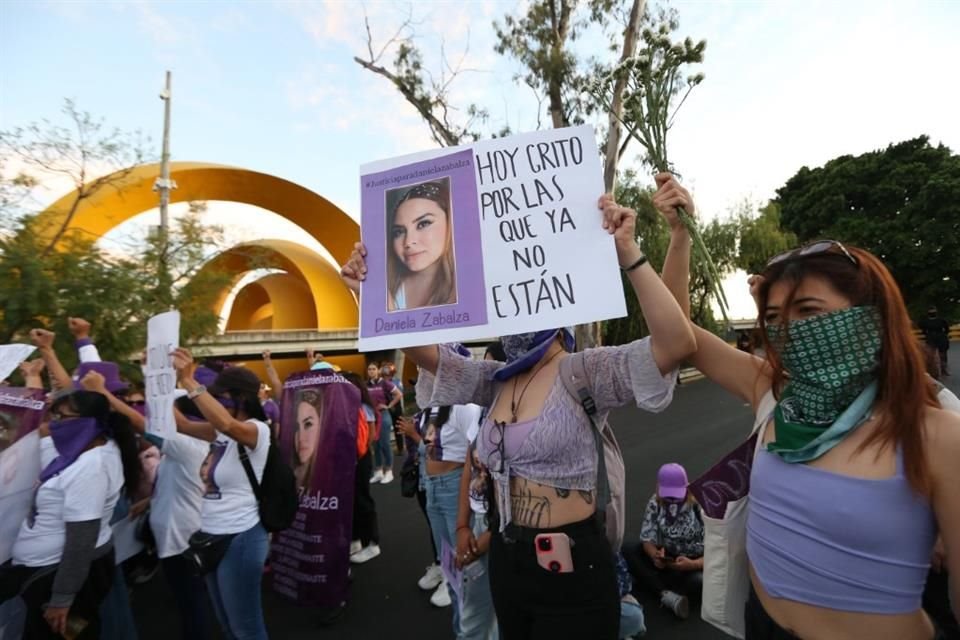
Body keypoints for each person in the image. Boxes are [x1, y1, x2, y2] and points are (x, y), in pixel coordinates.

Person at [342, 192, 697, 639]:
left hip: (574, 565)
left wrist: (632, 251)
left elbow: (676, 343)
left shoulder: (584, 370)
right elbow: (427, 354)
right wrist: (370, 296)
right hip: (509, 558)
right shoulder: (494, 379)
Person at [656, 173, 960, 640]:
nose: (790, 331)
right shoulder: (776, 396)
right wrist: (680, 236)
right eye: (774, 318)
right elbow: (681, 335)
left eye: (809, 312)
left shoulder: (936, 435)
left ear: (869, 321)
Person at [0, 390, 143, 640]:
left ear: (87, 422)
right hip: (46, 570)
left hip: (56, 575)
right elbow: (54, 465)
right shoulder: (84, 451)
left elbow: (81, 540)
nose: (53, 423)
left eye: (60, 417)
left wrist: (62, 599)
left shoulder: (91, 467)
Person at [170, 353, 273, 640]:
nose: (214, 401)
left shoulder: (258, 431)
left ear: (239, 398)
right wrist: (161, 385)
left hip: (240, 538)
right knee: (227, 625)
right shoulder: (219, 432)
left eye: (220, 396)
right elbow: (182, 424)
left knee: (247, 629)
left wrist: (188, 380)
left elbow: (229, 425)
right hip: (211, 536)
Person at [401, 397, 483, 636]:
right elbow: (430, 450)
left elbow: (477, 452)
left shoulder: (463, 407)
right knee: (449, 565)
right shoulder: (432, 407)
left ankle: (471, 631)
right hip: (434, 488)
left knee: (465, 568)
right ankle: (461, 629)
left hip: (454, 487)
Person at [623, 463, 703, 619]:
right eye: (668, 495)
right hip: (669, 557)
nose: (672, 500)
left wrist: (693, 564)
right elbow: (647, 539)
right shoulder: (655, 502)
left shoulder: (699, 505)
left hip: (695, 561)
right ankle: (667, 595)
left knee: (698, 582)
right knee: (627, 549)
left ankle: (656, 586)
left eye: (676, 494)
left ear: (686, 486)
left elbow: (718, 550)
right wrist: (655, 555)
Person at [386, 179, 457, 311]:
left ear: (451, 222)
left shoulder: (470, 288)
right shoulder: (388, 287)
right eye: (399, 232)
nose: (408, 242)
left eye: (423, 224)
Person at [343, 372, 382, 565]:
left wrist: (359, 454)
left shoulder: (363, 406)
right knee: (352, 501)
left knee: (363, 500)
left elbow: (371, 435)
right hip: (351, 459)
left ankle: (372, 543)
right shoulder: (347, 405)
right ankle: (356, 539)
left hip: (360, 458)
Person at [366, 362, 402, 484]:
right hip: (372, 417)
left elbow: (399, 394)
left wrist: (388, 406)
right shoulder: (366, 384)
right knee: (375, 446)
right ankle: (378, 472)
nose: (371, 371)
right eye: (369, 369)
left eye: (373, 369)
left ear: (378, 371)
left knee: (385, 444)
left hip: (384, 416)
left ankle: (389, 471)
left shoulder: (385, 383)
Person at [292, 388, 323, 491]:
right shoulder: (290, 474)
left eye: (308, 424)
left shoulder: (332, 476)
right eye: (296, 427)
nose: (301, 437)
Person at [918, 307, 951, 377]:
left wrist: (927, 334)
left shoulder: (939, 320)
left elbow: (947, 328)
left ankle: (942, 370)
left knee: (940, 354)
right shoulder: (927, 321)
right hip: (935, 337)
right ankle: (936, 370)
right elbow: (947, 329)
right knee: (933, 355)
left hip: (936, 337)